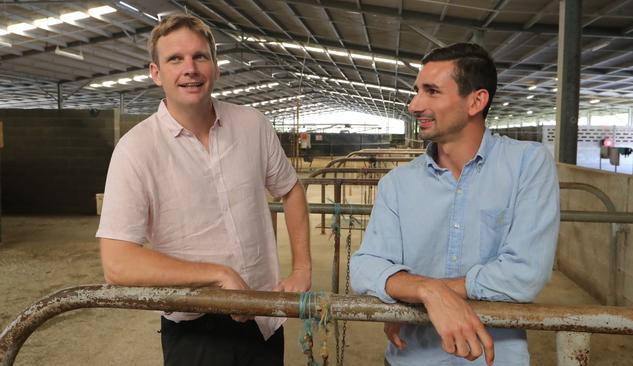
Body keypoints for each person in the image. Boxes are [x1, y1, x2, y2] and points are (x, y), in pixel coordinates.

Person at [96, 14, 311, 366]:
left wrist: (302, 268)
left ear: (216, 66)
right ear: (155, 73)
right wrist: (217, 274)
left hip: (263, 318)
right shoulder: (136, 149)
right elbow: (117, 263)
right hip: (194, 329)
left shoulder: (253, 125)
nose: (190, 68)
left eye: (200, 56)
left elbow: (291, 190)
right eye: (175, 59)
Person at [350, 43, 559, 366]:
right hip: (412, 358)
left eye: (431, 91)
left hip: (493, 360)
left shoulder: (527, 165)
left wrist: (414, 291)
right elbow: (363, 267)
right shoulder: (398, 183)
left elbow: (523, 276)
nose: (414, 104)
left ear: (476, 100)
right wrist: (428, 293)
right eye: (417, 91)